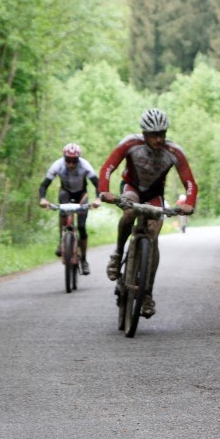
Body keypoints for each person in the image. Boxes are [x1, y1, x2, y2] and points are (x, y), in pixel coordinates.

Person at [97, 108, 196, 318]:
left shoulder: (174, 151)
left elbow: (190, 182)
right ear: (144, 133)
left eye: (162, 133)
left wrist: (189, 202)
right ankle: (117, 253)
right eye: (154, 134)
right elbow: (107, 167)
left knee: (153, 238)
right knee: (129, 213)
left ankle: (147, 293)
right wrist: (104, 191)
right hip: (132, 187)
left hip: (153, 194)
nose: (159, 139)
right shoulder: (131, 144)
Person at [38, 143, 101, 275]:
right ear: (64, 158)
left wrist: (98, 199)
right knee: (62, 210)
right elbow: (44, 185)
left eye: (74, 161)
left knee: (82, 227)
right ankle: (62, 241)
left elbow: (97, 183)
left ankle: (84, 259)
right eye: (68, 160)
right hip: (66, 193)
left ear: (79, 159)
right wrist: (43, 199)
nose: (71, 164)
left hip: (81, 194)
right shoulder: (58, 165)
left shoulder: (85, 165)